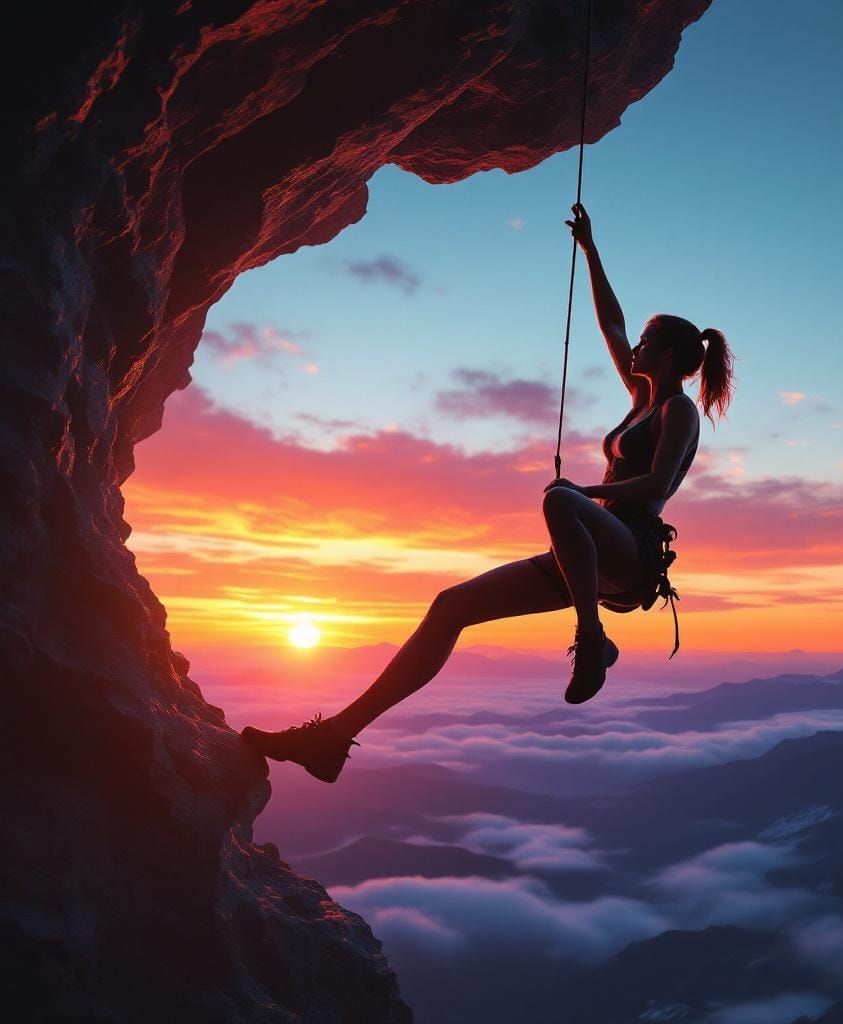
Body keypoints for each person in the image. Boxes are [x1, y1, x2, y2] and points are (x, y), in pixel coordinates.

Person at [241, 202, 735, 783]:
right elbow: (611, 326)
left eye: (648, 342)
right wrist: (591, 253)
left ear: (670, 356)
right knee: (451, 607)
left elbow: (656, 484)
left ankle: (592, 638)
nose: (635, 348)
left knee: (557, 498)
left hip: (631, 551)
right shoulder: (641, 397)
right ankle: (332, 738)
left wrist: (578, 489)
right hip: (591, 550)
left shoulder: (678, 409)